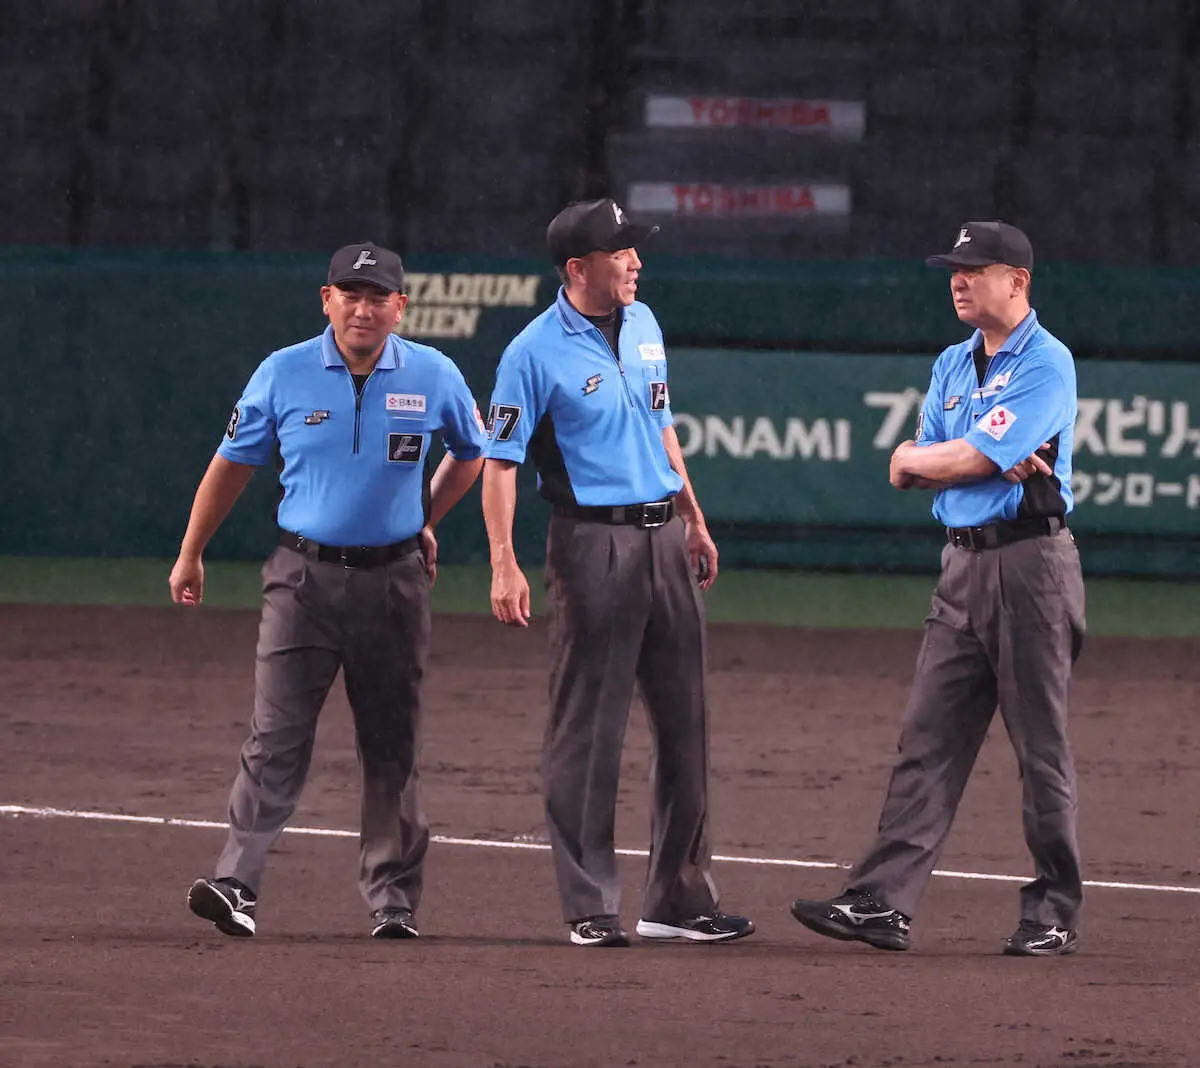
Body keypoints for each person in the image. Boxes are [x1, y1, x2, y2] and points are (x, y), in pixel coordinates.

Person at [169, 241, 485, 939]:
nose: (363, 308)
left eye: (378, 297)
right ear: (326, 299)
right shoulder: (282, 373)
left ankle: (393, 902)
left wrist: (422, 518)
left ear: (401, 307)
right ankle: (236, 883)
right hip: (301, 579)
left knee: (391, 743)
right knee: (275, 735)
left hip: (394, 582)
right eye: (350, 293)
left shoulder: (434, 375)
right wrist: (192, 552)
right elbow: (231, 465)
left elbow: (472, 454)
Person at [790, 220, 1086, 957]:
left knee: (1039, 749)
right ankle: (880, 904)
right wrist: (948, 456)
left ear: (1016, 280)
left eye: (973, 269)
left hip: (1030, 568)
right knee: (926, 740)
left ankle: (1052, 912)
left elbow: (967, 459)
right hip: (959, 566)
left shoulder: (1047, 363)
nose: (956, 280)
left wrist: (957, 456)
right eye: (952, 269)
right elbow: (910, 465)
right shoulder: (953, 362)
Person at [481, 198, 754, 948]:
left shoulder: (644, 324)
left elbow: (661, 427)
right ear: (579, 268)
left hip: (665, 537)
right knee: (589, 731)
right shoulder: (531, 352)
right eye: (621, 251)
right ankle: (590, 904)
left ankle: (677, 899)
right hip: (592, 545)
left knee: (686, 724)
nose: (637, 261)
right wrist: (504, 564)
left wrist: (694, 517)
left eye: (636, 249)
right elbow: (499, 467)